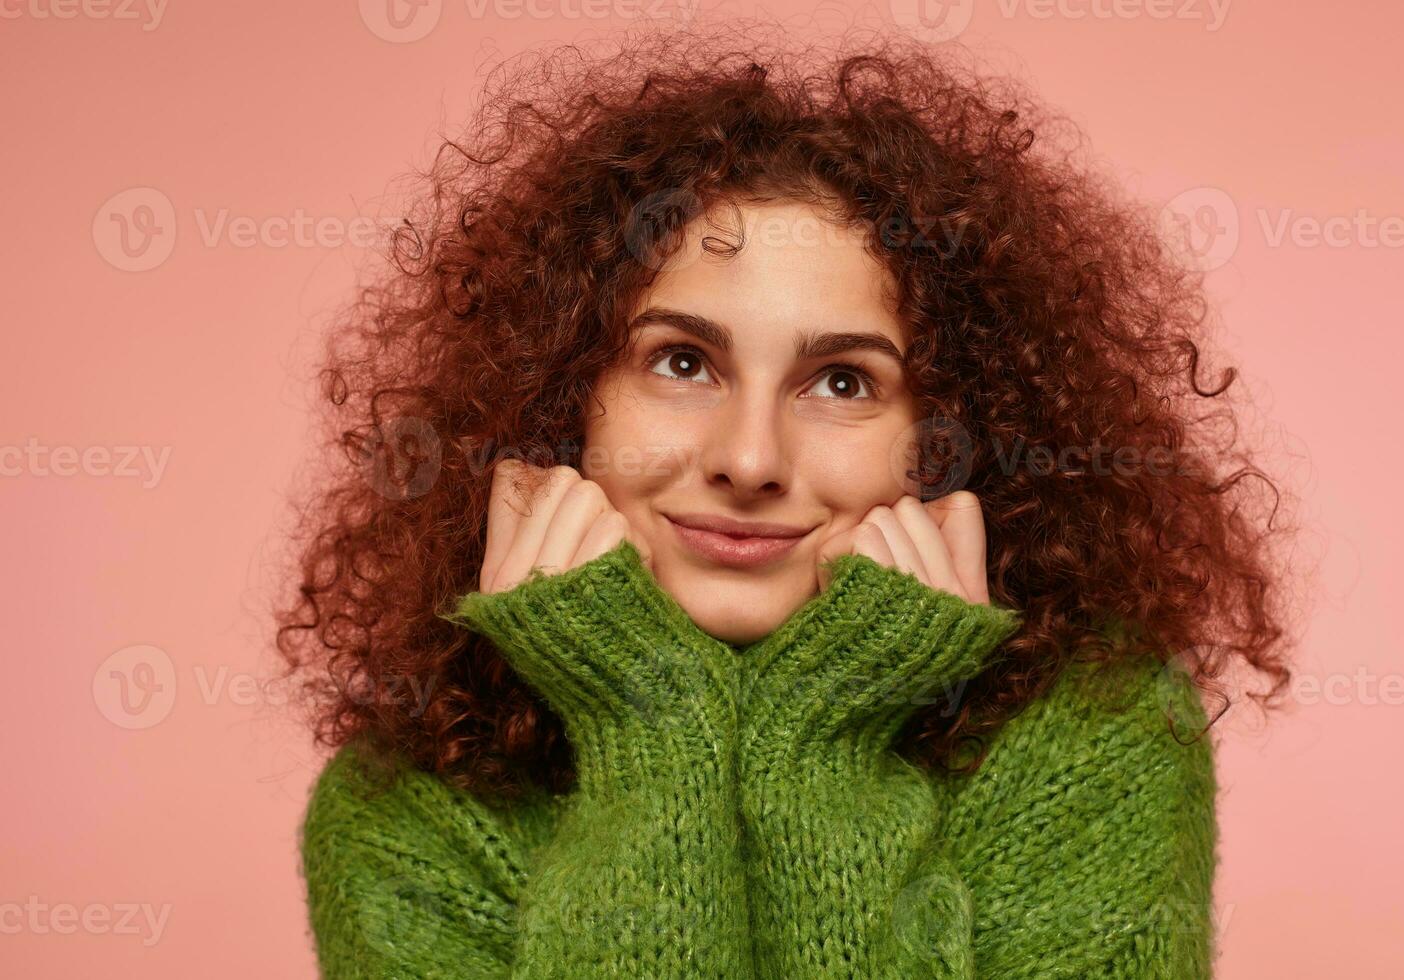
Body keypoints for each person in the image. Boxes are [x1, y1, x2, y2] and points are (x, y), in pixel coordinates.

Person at [274, 23, 1293, 979]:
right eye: (681, 361)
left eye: (843, 382)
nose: (751, 457)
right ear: (560, 399)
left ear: (943, 435)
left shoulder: (1096, 730)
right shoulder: (403, 812)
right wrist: (647, 719)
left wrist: (823, 737)